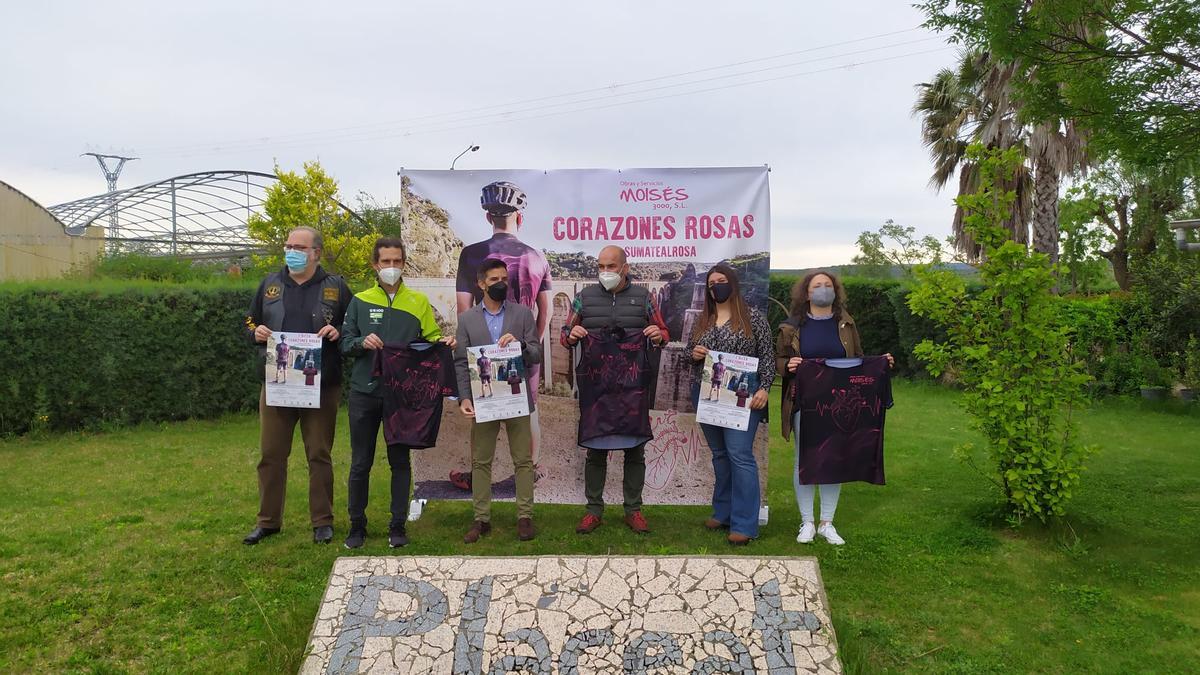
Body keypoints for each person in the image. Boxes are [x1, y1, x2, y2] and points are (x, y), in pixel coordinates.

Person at [340, 237, 456, 549]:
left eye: (397, 261)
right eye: (385, 262)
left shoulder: (418, 302)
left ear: (403, 264)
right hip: (364, 393)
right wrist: (361, 342)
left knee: (400, 462)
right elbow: (344, 342)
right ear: (374, 265)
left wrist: (444, 343)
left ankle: (397, 525)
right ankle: (357, 526)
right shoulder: (359, 301)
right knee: (361, 462)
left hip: (402, 398)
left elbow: (431, 338)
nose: (391, 267)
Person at [243, 226, 352, 546]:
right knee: (271, 454)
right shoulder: (270, 285)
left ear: (316, 252)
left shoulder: (336, 286)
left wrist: (339, 332)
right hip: (277, 383)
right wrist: (256, 333)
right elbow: (248, 321)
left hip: (320, 383)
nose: (291, 251)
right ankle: (268, 521)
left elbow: (355, 324)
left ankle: (322, 521)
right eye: (288, 245)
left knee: (319, 453)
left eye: (299, 247)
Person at [777, 270, 892, 546]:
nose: (823, 289)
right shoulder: (791, 327)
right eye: (817, 285)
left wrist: (881, 364)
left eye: (828, 285)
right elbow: (777, 361)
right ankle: (807, 522)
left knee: (835, 458)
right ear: (806, 292)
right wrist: (788, 365)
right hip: (805, 402)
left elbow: (859, 359)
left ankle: (827, 522)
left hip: (841, 403)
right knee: (804, 459)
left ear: (835, 291)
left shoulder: (846, 323)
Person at [450, 181, 551, 490]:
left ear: (487, 218)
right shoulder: (537, 257)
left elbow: (463, 309)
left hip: (483, 351)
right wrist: (531, 345)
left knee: (484, 413)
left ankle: (479, 474)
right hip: (524, 349)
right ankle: (529, 471)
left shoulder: (471, 255)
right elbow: (545, 311)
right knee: (527, 409)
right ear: (519, 218)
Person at [561, 245, 668, 534]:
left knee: (635, 450)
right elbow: (564, 334)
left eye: (611, 266)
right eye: (601, 266)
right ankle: (593, 510)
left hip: (632, 387)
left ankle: (633, 509)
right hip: (597, 388)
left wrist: (658, 336)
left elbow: (664, 333)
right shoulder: (584, 298)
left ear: (625, 267)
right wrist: (572, 335)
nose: (605, 272)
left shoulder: (644, 298)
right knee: (595, 450)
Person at [687, 264, 775, 545]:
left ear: (733, 283)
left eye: (721, 281)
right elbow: (690, 352)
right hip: (709, 396)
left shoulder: (754, 319)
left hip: (743, 396)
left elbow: (768, 358)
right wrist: (696, 353)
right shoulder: (704, 320)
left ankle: (745, 523)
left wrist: (764, 388)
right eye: (712, 283)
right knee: (720, 455)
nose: (716, 287)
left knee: (739, 454)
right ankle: (722, 512)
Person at [454, 259, 541, 543]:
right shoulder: (467, 319)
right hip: (484, 399)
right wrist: (465, 397)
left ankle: (525, 516)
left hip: (516, 398)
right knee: (481, 461)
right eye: (494, 279)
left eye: (504, 278)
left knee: (523, 460)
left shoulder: (523, 314)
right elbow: (460, 362)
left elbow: (536, 354)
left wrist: (521, 345)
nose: (500, 283)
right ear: (481, 284)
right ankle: (481, 519)